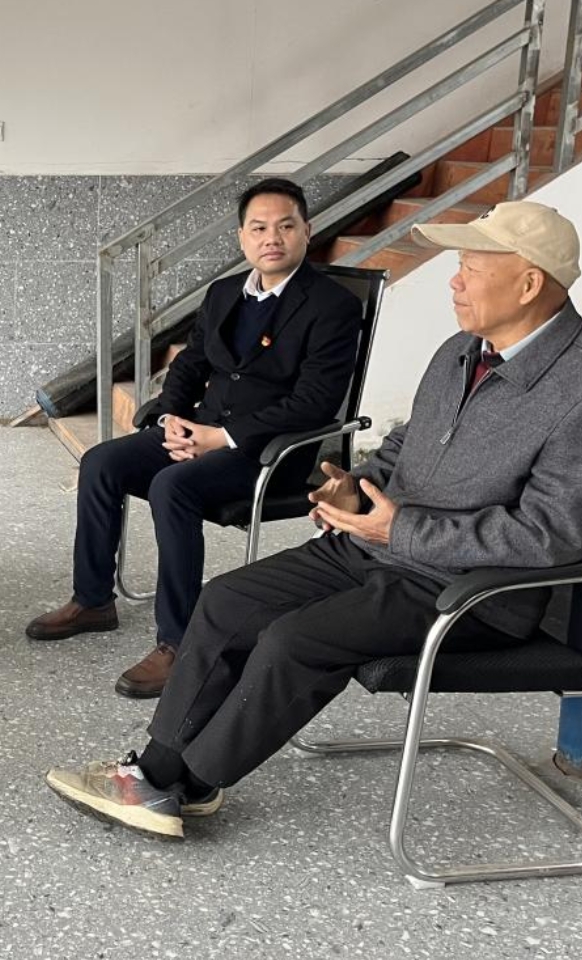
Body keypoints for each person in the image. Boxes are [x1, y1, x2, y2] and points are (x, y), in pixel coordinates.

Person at [44, 201, 582, 841]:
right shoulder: (462, 351)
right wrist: (359, 487)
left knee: (294, 639)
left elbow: (552, 535)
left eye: (470, 267)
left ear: (528, 284)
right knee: (227, 601)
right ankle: (163, 774)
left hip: (468, 589)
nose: (454, 281)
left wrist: (399, 530)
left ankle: (174, 783)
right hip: (377, 546)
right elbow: (405, 443)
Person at [25, 178, 363, 700]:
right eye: (259, 228)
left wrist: (221, 437)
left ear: (306, 231)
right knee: (101, 463)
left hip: (269, 454)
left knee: (172, 486)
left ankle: (180, 642)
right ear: (242, 237)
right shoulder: (225, 293)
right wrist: (172, 419)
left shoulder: (332, 305)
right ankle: (93, 600)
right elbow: (190, 365)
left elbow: (315, 402)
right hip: (199, 431)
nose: (272, 238)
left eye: (285, 226)